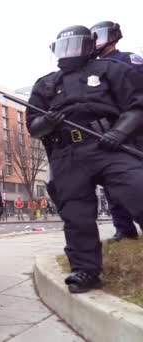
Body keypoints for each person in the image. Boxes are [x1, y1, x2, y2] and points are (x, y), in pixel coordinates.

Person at [26, 25, 143, 294]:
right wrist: (48, 121)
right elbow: (33, 126)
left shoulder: (111, 70)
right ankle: (86, 270)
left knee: (138, 188)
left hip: (110, 145)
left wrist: (119, 131)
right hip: (68, 153)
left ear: (90, 46)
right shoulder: (46, 83)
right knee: (76, 215)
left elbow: (137, 105)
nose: (69, 52)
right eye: (64, 47)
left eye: (75, 46)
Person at [90, 21, 143, 242]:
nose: (96, 42)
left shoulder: (129, 60)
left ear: (113, 37)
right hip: (109, 129)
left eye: (99, 36)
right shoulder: (93, 68)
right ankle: (124, 228)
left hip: (135, 128)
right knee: (112, 181)